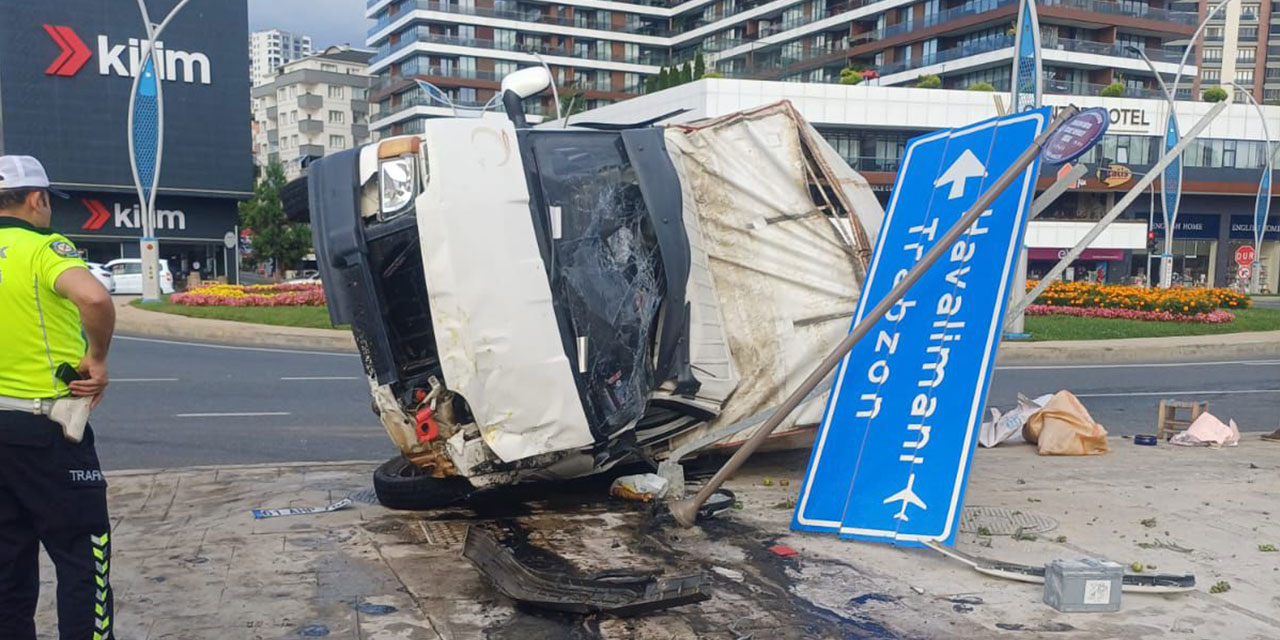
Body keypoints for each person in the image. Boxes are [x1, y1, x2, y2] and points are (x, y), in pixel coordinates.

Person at [0, 155, 116, 640]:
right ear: (36, 198)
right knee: (82, 555)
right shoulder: (44, 247)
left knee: (7, 568)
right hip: (45, 430)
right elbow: (94, 298)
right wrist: (97, 358)